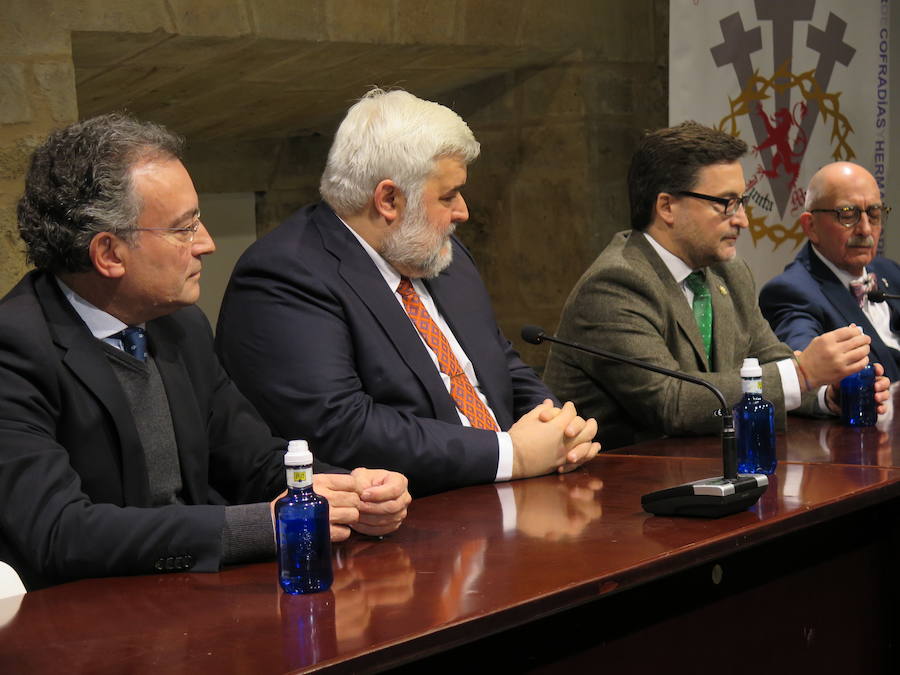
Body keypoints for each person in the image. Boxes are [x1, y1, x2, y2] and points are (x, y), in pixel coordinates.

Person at [0, 114, 410, 590]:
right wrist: (259, 527)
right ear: (109, 253)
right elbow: (58, 533)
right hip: (82, 625)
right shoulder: (14, 350)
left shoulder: (180, 326)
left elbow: (252, 460)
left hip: (195, 598)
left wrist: (348, 491)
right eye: (184, 228)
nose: (207, 244)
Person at [216, 88, 600, 497]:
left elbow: (501, 362)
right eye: (448, 196)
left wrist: (555, 424)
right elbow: (340, 428)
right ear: (389, 199)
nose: (463, 212)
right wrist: (512, 455)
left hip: (511, 494)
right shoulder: (285, 274)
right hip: (409, 516)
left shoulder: (439, 254)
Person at [542, 122, 890, 450]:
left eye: (741, 202)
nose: (742, 220)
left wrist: (825, 393)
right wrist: (802, 374)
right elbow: (671, 402)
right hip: (616, 491)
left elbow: (770, 358)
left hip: (701, 472)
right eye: (726, 203)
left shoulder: (728, 272)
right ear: (667, 207)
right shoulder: (617, 284)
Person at [759, 162, 900, 381]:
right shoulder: (790, 293)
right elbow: (804, 369)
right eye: (847, 214)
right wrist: (828, 393)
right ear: (811, 226)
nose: (864, 229)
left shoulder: (889, 271)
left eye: (873, 213)